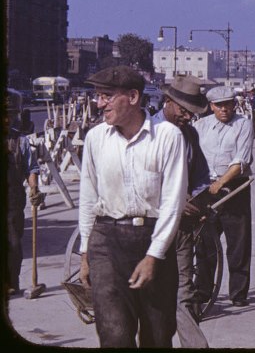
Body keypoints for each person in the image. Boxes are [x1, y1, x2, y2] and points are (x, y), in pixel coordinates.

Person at [77, 66, 187, 347]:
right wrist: (85, 251)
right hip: (106, 241)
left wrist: (153, 256)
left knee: (158, 334)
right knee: (114, 333)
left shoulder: (168, 137)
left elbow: (173, 203)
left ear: (134, 96)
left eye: (107, 96)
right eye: (98, 96)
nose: (99, 103)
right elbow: (89, 196)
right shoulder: (96, 138)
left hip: (152, 239)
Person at [151, 76, 211, 347]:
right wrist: (172, 199)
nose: (188, 117)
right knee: (151, 298)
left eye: (192, 112)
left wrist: (196, 200)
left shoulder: (190, 134)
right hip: (150, 228)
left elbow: (201, 176)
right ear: (168, 102)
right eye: (184, 110)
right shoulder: (147, 131)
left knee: (183, 294)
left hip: (182, 229)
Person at [195, 85, 254, 308]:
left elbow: (241, 160)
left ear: (234, 104)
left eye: (228, 104)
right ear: (211, 106)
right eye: (219, 105)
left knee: (238, 242)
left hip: (234, 188)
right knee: (204, 242)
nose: (224, 109)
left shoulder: (243, 124)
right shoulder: (201, 126)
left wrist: (221, 182)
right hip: (206, 189)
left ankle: (238, 293)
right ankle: (203, 290)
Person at [5, 89, 42, 296]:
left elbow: (31, 168)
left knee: (13, 243)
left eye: (9, 115)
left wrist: (34, 188)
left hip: (13, 201)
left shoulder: (21, 141)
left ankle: (11, 282)